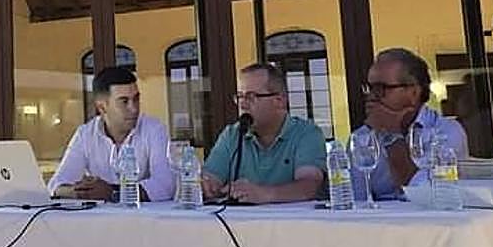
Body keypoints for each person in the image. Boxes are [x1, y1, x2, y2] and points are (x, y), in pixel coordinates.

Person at [200, 63, 326, 204]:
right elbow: (210, 179)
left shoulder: (306, 133)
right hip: (238, 223)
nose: (243, 105)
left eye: (251, 96)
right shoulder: (232, 135)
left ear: (279, 101)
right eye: (240, 97)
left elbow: (309, 186)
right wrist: (206, 186)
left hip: (294, 224)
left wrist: (264, 194)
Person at [352, 48, 468, 201]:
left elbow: (424, 192)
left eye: (381, 88)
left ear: (414, 92)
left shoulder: (446, 131)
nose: (372, 96)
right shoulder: (362, 136)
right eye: (369, 88)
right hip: (380, 221)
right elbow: (358, 200)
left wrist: (390, 134)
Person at [48, 66, 173, 202]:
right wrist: (78, 192)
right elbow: (56, 185)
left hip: (145, 219)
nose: (134, 108)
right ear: (102, 107)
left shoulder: (154, 129)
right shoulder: (85, 134)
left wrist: (113, 193)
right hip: (99, 220)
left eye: (136, 99)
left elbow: (165, 186)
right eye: (124, 102)